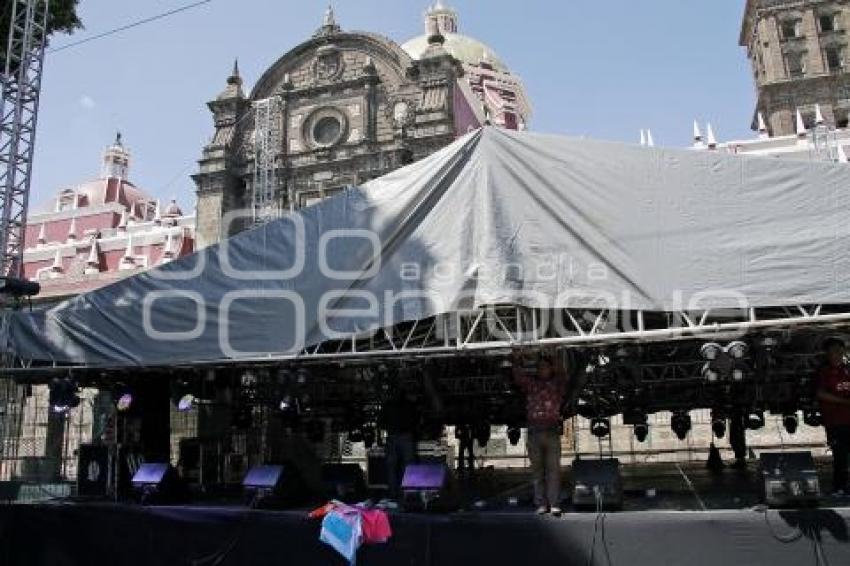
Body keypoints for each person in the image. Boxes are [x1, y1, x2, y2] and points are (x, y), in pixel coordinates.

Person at [512, 347, 569, 516]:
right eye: (540, 367)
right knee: (537, 471)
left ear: (551, 369)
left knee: (553, 470)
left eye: (545, 366)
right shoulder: (532, 385)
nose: (542, 369)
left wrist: (555, 357)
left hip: (551, 431)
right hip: (534, 431)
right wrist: (516, 359)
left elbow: (563, 374)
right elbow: (518, 377)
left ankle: (554, 503)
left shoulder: (557, 384)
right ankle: (541, 504)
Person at [817, 338, 850, 496]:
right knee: (840, 455)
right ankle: (839, 487)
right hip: (835, 421)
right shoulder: (825, 372)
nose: (835, 355)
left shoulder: (847, 370)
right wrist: (844, 401)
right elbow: (821, 393)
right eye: (832, 352)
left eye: (838, 351)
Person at [380, 387, 419, 500]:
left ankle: (393, 494)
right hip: (407, 436)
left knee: (391, 468)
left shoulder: (388, 405)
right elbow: (416, 420)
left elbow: (381, 423)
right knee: (408, 467)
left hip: (392, 437)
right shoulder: (410, 405)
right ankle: (409, 494)